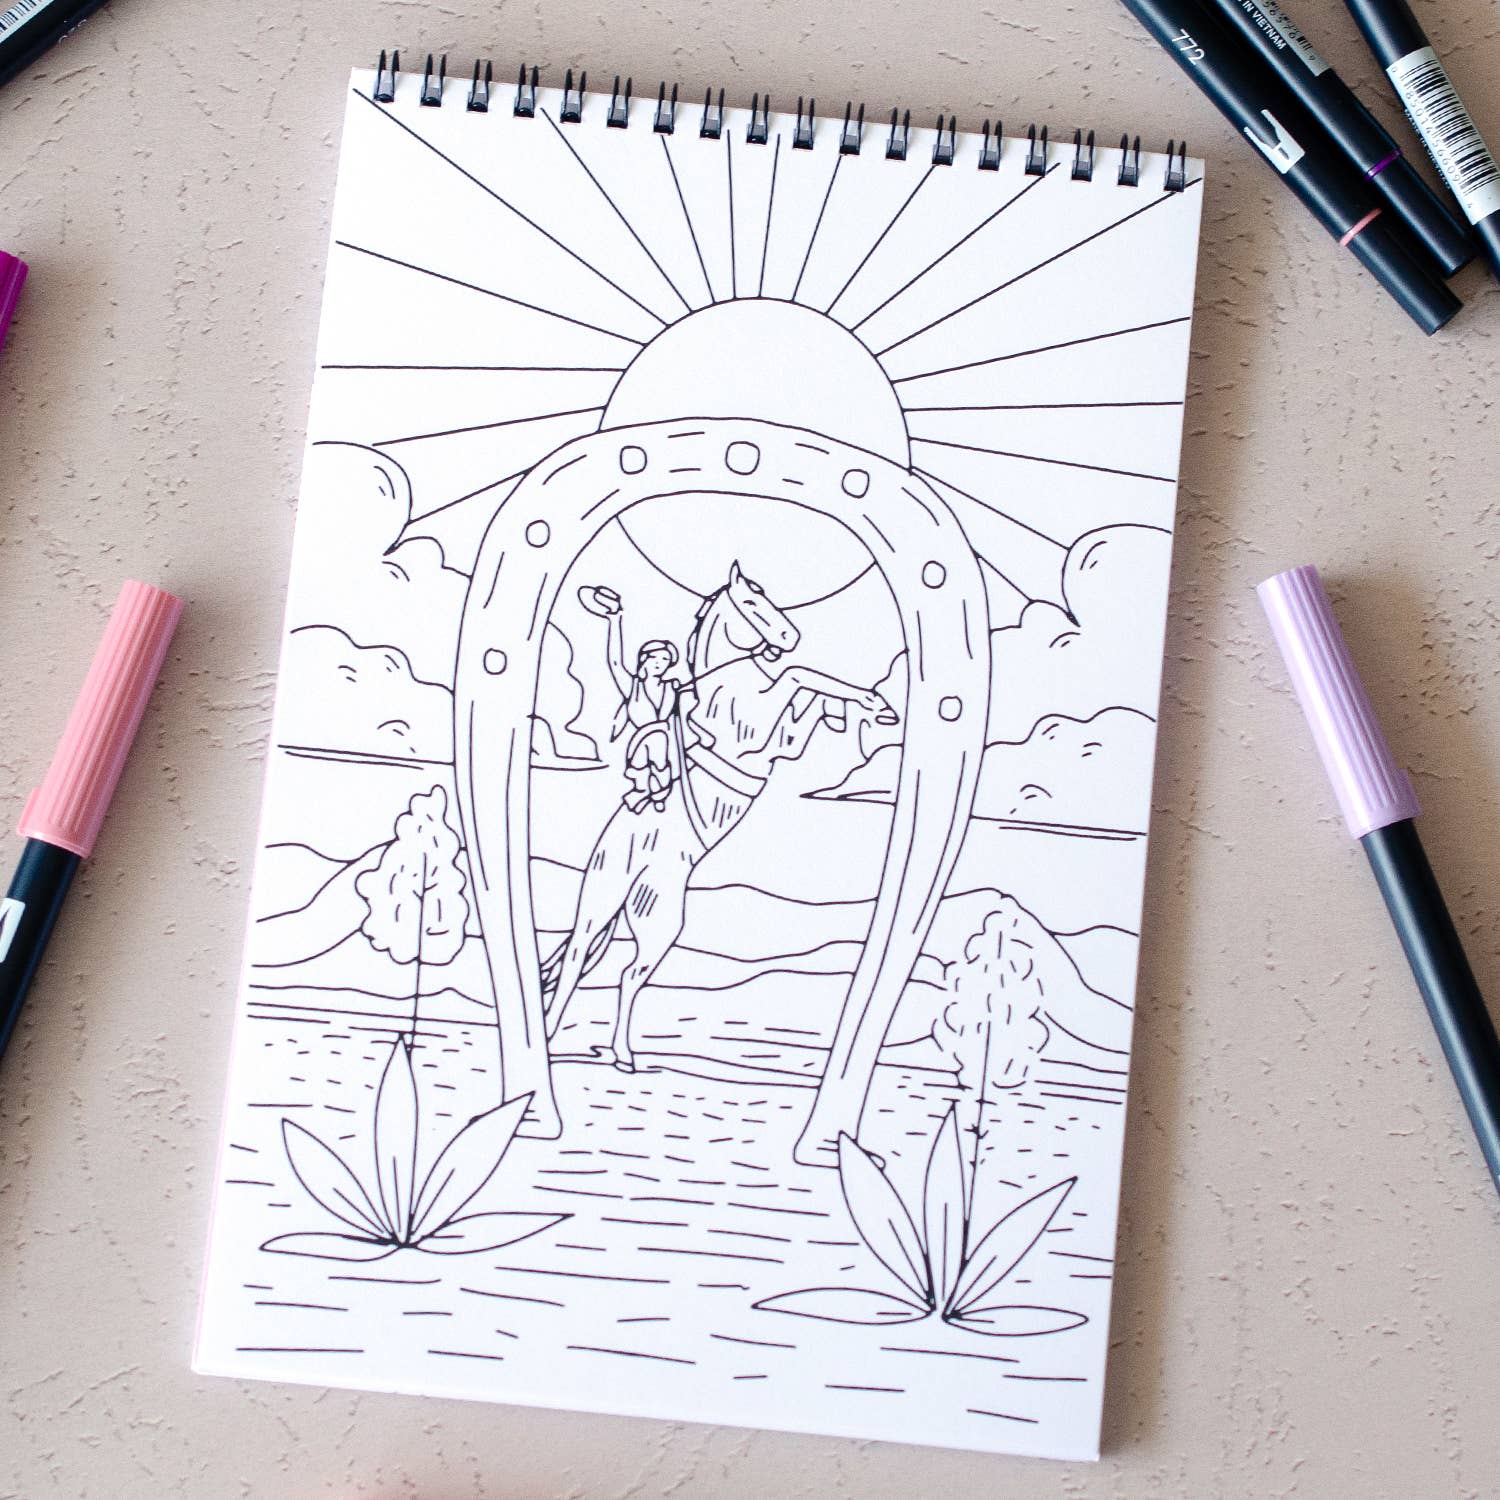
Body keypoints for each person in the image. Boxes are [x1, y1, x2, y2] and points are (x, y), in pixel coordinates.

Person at [583, 586, 695, 814]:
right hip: (641, 738)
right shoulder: (632, 686)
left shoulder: (671, 687)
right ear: (644, 659)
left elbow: (696, 690)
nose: (660, 663)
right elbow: (615, 662)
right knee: (642, 766)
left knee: (659, 757)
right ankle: (645, 792)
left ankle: (657, 793)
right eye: (655, 658)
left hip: (662, 739)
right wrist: (615, 619)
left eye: (665, 660)